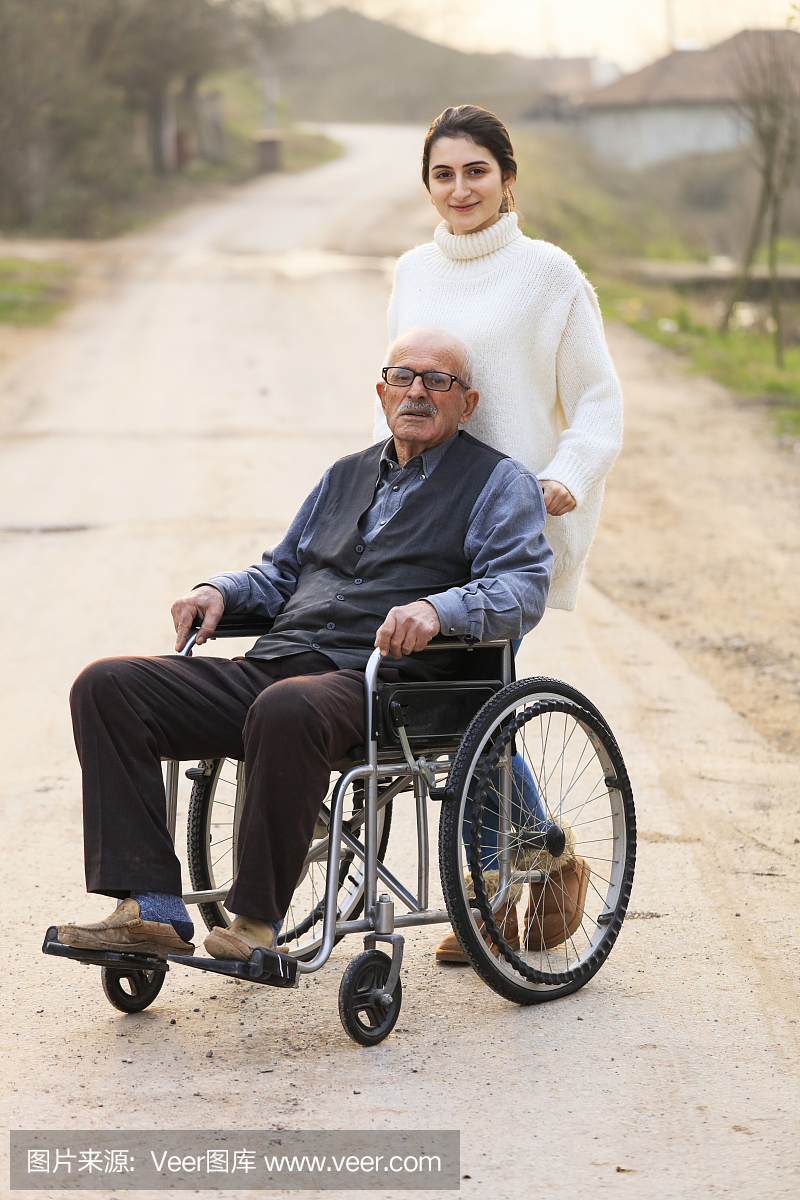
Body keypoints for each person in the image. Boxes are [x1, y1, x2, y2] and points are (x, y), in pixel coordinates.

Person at [57, 327, 553, 964]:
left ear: (468, 402)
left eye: (439, 381)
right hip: (277, 663)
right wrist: (222, 592)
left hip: (385, 683)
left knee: (288, 707)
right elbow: (283, 573)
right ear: (382, 392)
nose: (419, 393)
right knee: (107, 686)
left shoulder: (497, 482)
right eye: (404, 378)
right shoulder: (342, 477)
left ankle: (256, 923)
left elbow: (522, 590)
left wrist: (436, 608)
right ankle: (149, 907)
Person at [376, 105, 624, 963]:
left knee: (477, 695)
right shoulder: (409, 270)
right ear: (428, 185)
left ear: (507, 178)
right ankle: (540, 861)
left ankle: (483, 896)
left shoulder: (549, 275)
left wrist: (567, 474)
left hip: (511, 518)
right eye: (443, 174)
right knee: (454, 706)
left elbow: (597, 398)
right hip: (424, 510)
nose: (460, 189)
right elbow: (408, 383)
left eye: (475, 171)